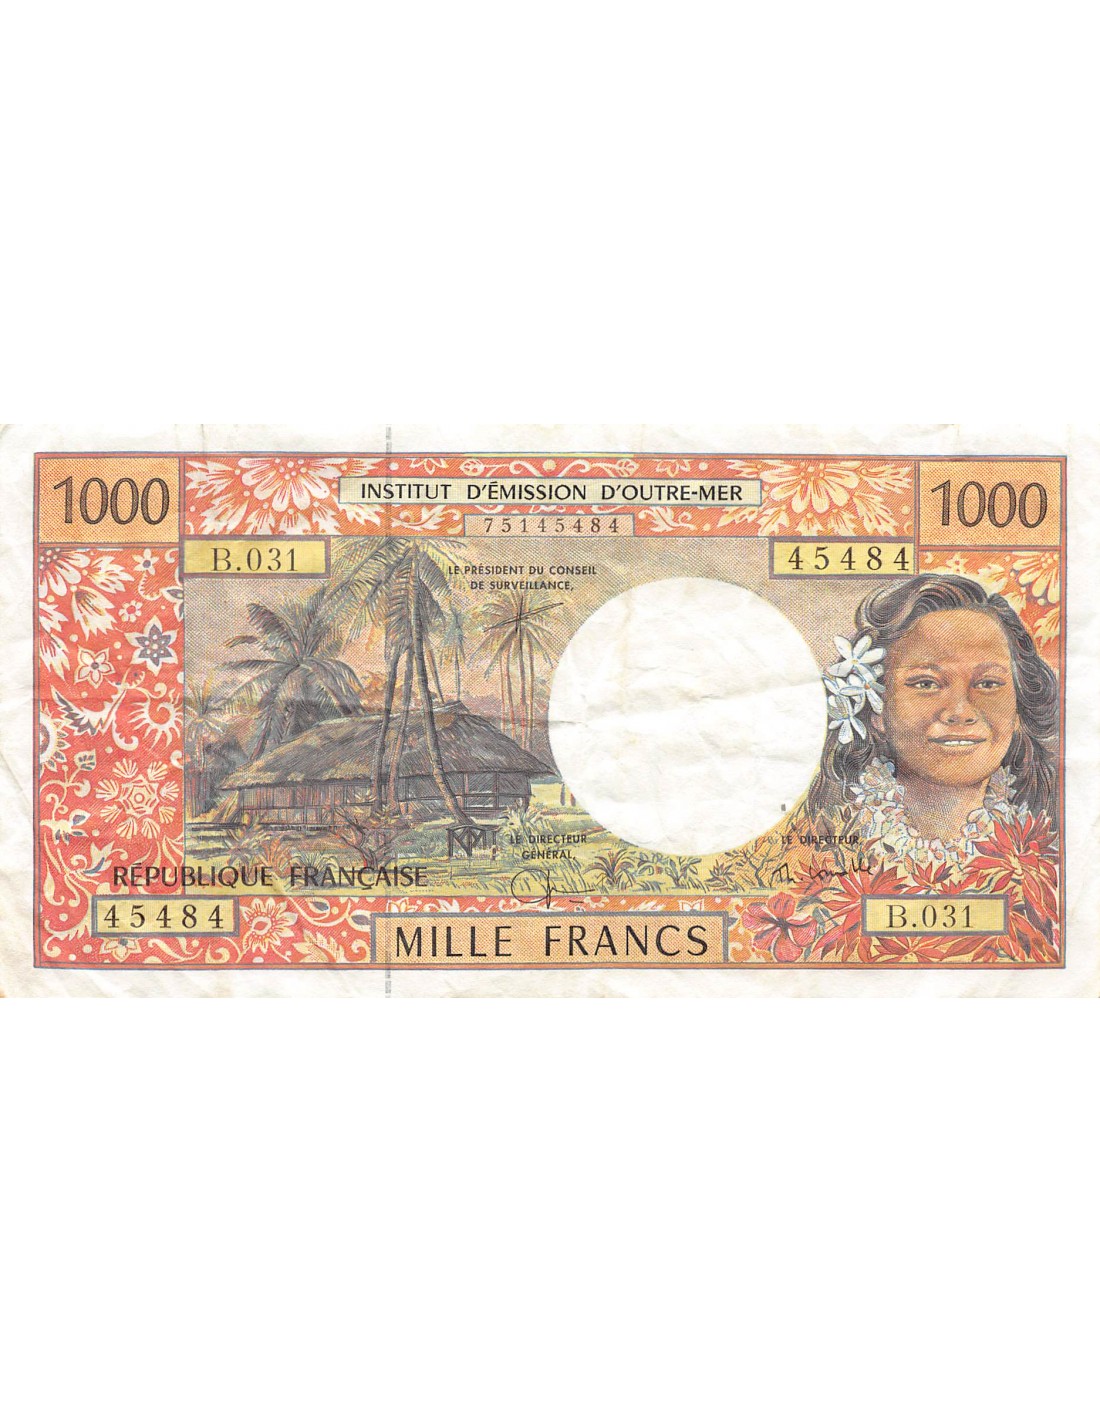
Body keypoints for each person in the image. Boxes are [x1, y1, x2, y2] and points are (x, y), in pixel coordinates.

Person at [805, 573, 1059, 869]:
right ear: (877, 710)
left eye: (988, 684)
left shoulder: (1049, 854)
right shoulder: (824, 849)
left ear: (1018, 711)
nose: (961, 711)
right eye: (926, 683)